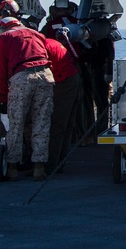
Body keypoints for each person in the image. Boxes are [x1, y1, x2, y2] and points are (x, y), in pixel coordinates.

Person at [0, 17, 55, 181]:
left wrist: (3, 96)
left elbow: (1, 70)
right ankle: (39, 167)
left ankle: (12, 167)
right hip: (46, 76)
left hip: (22, 77)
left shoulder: (5, 38)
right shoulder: (37, 34)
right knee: (42, 122)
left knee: (16, 123)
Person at [44, 37, 83, 174]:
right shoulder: (50, 43)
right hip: (71, 78)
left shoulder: (41, 48)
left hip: (63, 81)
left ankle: (50, 164)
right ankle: (59, 162)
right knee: (66, 124)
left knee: (57, 124)